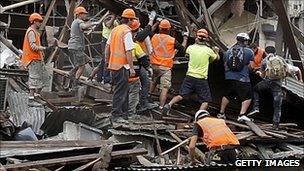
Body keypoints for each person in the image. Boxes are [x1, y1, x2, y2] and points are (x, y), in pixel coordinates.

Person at [162, 29, 219, 115]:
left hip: (190, 76)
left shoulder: (190, 48)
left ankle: (169, 105)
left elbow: (187, 56)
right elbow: (216, 59)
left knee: (181, 95)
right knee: (206, 101)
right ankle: (198, 116)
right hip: (201, 78)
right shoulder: (209, 51)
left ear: (197, 38)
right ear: (206, 39)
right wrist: (216, 52)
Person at [249, 46, 302, 130]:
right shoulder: (281, 59)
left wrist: (260, 73)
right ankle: (275, 125)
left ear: (266, 52)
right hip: (278, 85)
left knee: (255, 89)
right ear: (275, 52)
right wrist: (282, 77)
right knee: (277, 106)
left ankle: (256, 107)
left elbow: (262, 75)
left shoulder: (265, 61)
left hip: (267, 83)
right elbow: (288, 71)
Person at [105, 8, 136, 121]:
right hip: (122, 66)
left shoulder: (115, 30)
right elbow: (128, 51)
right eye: (132, 20)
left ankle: (124, 114)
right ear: (129, 20)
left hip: (114, 65)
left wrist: (107, 61)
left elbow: (107, 47)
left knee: (124, 90)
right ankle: (116, 115)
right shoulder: (126, 32)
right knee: (120, 91)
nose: (133, 22)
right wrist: (132, 68)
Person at [150, 19, 188, 109]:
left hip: (154, 65)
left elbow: (149, 31)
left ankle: (147, 99)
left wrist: (156, 23)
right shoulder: (172, 40)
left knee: (153, 82)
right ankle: (161, 107)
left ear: (160, 28)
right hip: (165, 67)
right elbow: (183, 49)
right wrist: (185, 38)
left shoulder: (154, 36)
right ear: (169, 29)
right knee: (165, 88)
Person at [218, 33, 254, 122]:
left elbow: (225, 64)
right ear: (245, 41)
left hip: (229, 77)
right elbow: (251, 66)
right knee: (248, 96)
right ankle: (242, 114)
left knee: (228, 95)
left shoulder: (228, 52)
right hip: (243, 79)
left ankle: (221, 113)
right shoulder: (249, 52)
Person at [132, 11, 159, 111]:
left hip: (133, 63)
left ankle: (141, 102)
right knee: (144, 83)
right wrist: (151, 19)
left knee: (140, 84)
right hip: (137, 63)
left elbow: (148, 32)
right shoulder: (137, 37)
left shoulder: (126, 33)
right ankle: (141, 103)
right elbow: (147, 31)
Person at [21, 13, 49, 105]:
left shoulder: (35, 32)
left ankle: (37, 97)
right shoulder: (31, 32)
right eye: (39, 21)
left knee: (43, 78)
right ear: (34, 21)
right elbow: (33, 47)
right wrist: (44, 48)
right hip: (32, 59)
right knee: (34, 79)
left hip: (37, 58)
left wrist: (42, 54)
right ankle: (31, 100)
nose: (40, 23)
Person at [68, 6, 98, 88]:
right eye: (84, 14)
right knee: (82, 66)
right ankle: (75, 83)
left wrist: (89, 26)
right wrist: (93, 23)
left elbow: (83, 28)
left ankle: (71, 73)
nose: (85, 15)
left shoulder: (75, 22)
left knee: (85, 60)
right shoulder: (79, 21)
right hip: (77, 46)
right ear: (79, 14)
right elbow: (83, 27)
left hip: (73, 46)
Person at [128, 19, 152, 117]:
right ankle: (137, 108)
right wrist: (148, 68)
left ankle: (124, 111)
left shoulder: (121, 39)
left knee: (124, 92)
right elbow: (144, 60)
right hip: (134, 72)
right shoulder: (135, 45)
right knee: (142, 84)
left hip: (121, 71)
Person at [88, 12, 119, 87]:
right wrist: (113, 16)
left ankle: (98, 78)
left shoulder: (116, 21)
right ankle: (106, 80)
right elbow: (108, 25)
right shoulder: (106, 19)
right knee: (106, 60)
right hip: (105, 41)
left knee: (104, 61)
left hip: (112, 42)